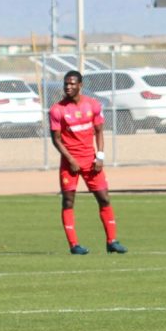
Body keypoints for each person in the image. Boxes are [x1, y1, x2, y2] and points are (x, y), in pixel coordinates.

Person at [48, 70, 126, 255]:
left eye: (72, 83)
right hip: (70, 162)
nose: (68, 86)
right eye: (66, 83)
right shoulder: (57, 110)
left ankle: (112, 241)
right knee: (68, 201)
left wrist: (100, 156)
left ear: (80, 85)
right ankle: (74, 245)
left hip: (91, 161)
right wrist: (71, 160)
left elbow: (99, 132)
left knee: (104, 198)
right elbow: (56, 139)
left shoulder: (93, 105)